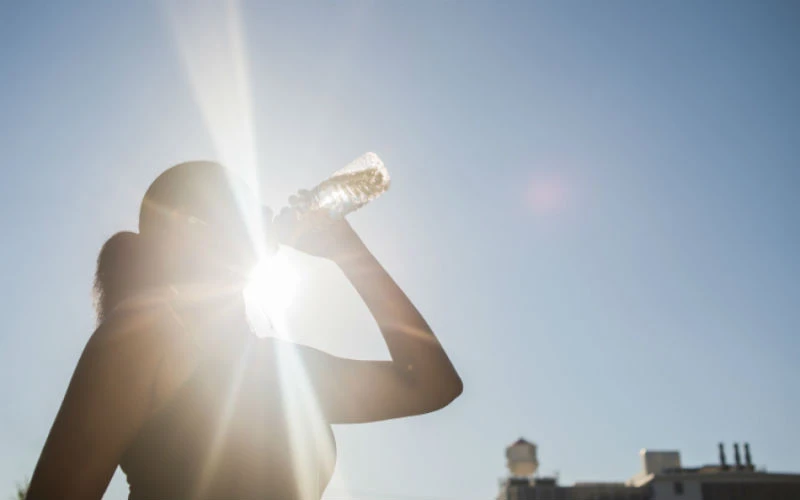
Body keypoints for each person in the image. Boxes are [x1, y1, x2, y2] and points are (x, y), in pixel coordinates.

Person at [26, 161, 462, 500]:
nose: (268, 211)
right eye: (244, 202)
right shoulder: (142, 336)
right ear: (191, 227)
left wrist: (348, 253)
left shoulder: (277, 367)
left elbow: (433, 385)